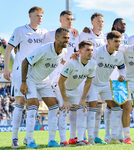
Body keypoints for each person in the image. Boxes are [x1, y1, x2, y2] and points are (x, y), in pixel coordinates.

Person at [3, 6, 47, 148]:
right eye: (37, 15)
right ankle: (14, 138)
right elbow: (9, 49)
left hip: (36, 73)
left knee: (33, 104)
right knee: (20, 102)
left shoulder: (43, 33)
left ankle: (29, 138)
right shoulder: (20, 30)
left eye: (41, 16)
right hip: (19, 71)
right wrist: (6, 68)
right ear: (30, 16)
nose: (39, 18)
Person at [20, 28, 69, 148]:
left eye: (68, 38)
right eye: (64, 38)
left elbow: (59, 58)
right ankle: (29, 140)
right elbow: (25, 62)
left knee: (53, 106)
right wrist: (23, 82)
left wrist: (71, 59)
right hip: (31, 80)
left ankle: (51, 140)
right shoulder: (44, 49)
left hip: (44, 81)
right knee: (33, 105)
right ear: (56, 38)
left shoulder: (64, 51)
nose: (67, 40)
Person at [80, 31, 125, 144]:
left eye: (119, 42)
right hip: (93, 84)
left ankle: (113, 138)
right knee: (94, 108)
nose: (118, 44)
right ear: (108, 42)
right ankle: (90, 138)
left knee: (116, 108)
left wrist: (122, 75)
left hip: (106, 84)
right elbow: (85, 60)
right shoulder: (97, 52)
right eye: (115, 41)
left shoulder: (119, 54)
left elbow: (121, 67)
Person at [42, 10, 79, 146]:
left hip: (68, 76)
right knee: (54, 107)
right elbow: (42, 49)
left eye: (71, 19)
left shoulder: (75, 35)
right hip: (51, 75)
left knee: (65, 107)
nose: (70, 21)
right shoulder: (49, 34)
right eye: (67, 19)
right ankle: (54, 139)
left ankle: (66, 138)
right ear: (60, 20)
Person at [58, 40, 96, 146]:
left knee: (83, 109)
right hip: (60, 87)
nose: (90, 52)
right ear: (80, 51)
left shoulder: (93, 64)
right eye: (87, 50)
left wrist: (83, 99)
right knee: (64, 110)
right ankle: (63, 141)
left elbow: (88, 81)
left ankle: (79, 139)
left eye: (92, 50)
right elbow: (60, 82)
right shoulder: (71, 62)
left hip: (73, 89)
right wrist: (65, 100)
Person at [78, 12, 106, 144]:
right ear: (92, 23)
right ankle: (83, 136)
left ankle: (95, 135)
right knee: (86, 107)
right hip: (86, 76)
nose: (101, 23)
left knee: (98, 108)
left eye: (102, 21)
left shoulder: (106, 37)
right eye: (98, 21)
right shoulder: (83, 35)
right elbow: (76, 49)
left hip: (101, 77)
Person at [104, 18, 129, 143]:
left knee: (120, 105)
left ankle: (119, 135)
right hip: (108, 74)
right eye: (121, 23)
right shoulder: (106, 36)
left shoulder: (129, 37)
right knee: (107, 106)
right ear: (115, 25)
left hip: (121, 75)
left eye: (125, 23)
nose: (123, 25)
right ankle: (106, 135)